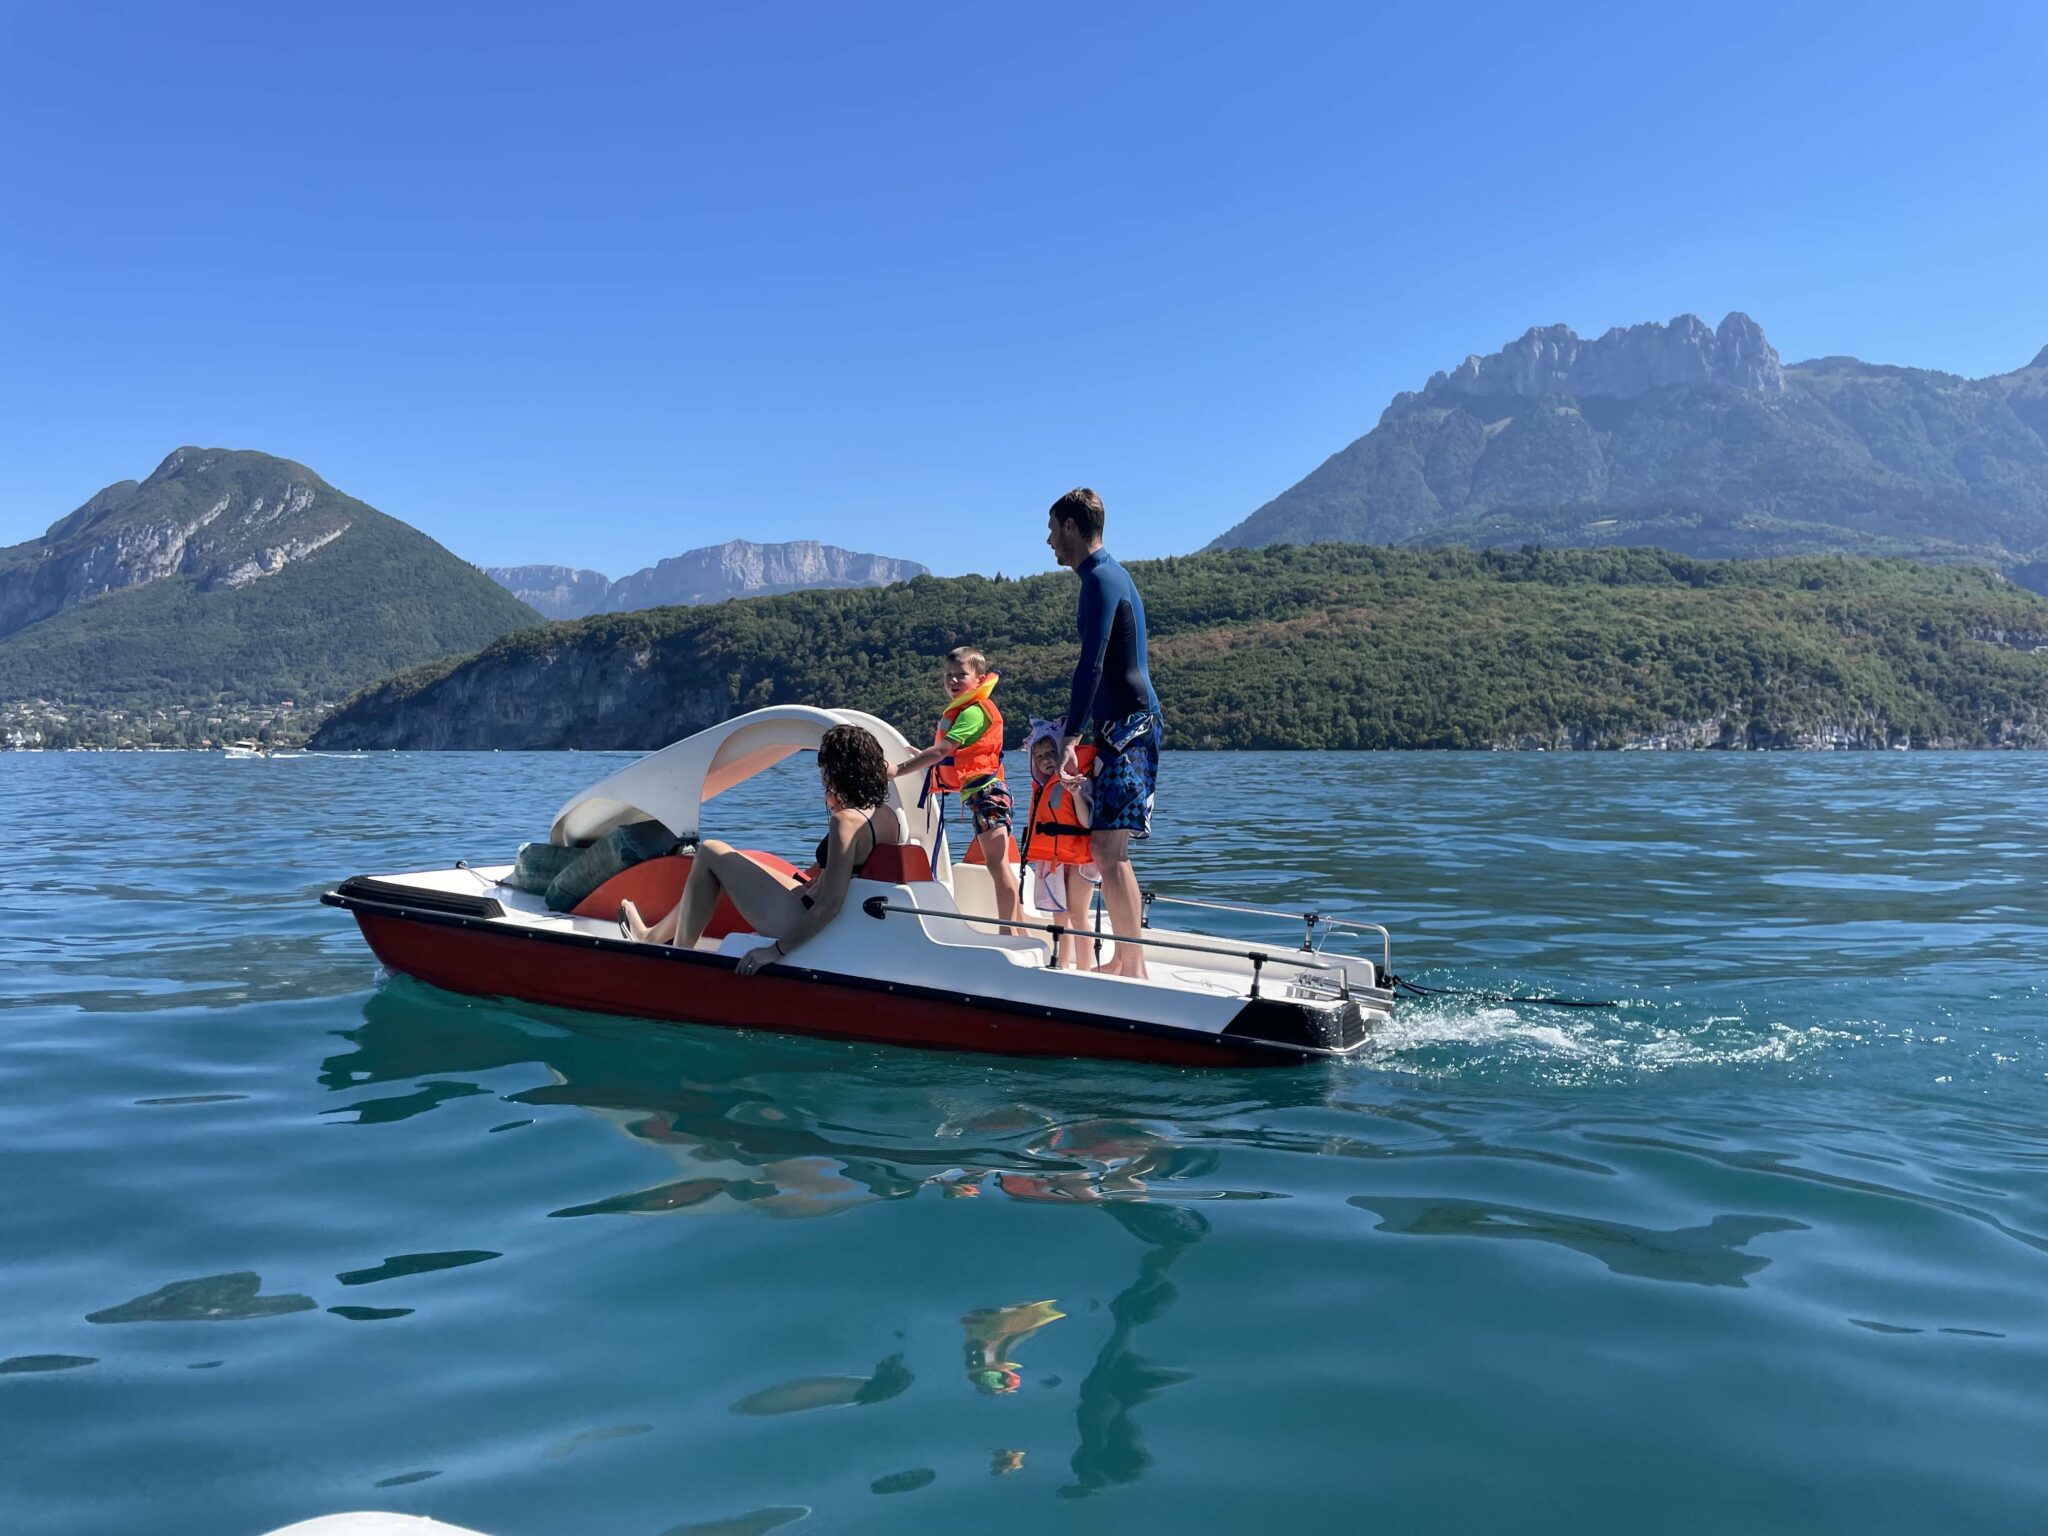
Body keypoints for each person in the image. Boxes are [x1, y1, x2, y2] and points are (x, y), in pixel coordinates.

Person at [621, 723, 902, 976]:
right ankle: (651, 937)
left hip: (800, 918)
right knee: (732, 859)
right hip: (809, 898)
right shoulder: (887, 816)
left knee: (709, 852)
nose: (823, 777)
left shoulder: (846, 822)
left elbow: (830, 905)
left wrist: (775, 951)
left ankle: (679, 960)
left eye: (825, 770)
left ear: (840, 772)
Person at [1045, 487, 1162, 979]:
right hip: (1121, 726)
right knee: (1107, 847)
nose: (1049, 540)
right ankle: (1124, 956)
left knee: (1108, 849)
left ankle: (1133, 967)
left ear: (1072, 526)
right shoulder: (1104, 576)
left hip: (1130, 725)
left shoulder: (1100, 578)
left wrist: (1071, 736)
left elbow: (1091, 664)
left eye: (1053, 529)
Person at [890, 645, 1023, 929]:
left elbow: (942, 751)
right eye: (948, 674)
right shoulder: (966, 711)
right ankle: (1019, 931)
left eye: (961, 675)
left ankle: (1009, 932)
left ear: (979, 679)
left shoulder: (973, 713)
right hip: (983, 795)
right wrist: (924, 757)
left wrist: (898, 770)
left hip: (988, 795)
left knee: (998, 868)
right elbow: (949, 755)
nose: (952, 680)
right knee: (999, 867)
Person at [1022, 717, 1098, 970]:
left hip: (1079, 858)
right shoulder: (1042, 787)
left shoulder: (1077, 779)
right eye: (1039, 756)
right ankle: (1062, 964)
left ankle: (1085, 970)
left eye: (1051, 752)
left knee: (1078, 914)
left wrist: (1075, 794)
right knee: (1059, 916)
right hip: (1054, 857)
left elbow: (1086, 821)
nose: (1045, 760)